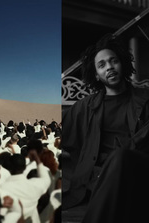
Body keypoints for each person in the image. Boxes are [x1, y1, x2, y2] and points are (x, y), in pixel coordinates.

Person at [62, 34, 149, 222]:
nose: (109, 67)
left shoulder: (145, 99)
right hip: (97, 179)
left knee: (121, 156)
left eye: (113, 61)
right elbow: (54, 130)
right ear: (96, 75)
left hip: (138, 173)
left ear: (122, 63)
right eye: (101, 65)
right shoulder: (85, 107)